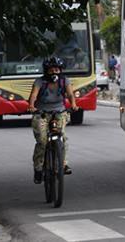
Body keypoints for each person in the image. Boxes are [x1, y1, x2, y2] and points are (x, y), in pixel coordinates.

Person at [28, 56, 79, 184]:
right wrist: (31, 106)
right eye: (51, 70)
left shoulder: (64, 81)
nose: (54, 72)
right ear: (46, 71)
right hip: (42, 113)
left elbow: (71, 94)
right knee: (42, 141)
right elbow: (33, 95)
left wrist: (73, 104)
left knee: (63, 138)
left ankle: (63, 164)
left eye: (57, 70)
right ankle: (38, 169)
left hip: (59, 112)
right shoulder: (40, 81)